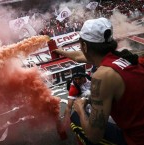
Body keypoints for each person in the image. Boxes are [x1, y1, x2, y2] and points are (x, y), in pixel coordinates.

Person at [52, 17, 144, 145]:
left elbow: (94, 135)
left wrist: (80, 109)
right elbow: (79, 57)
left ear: (84, 45)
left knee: (76, 119)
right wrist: (60, 52)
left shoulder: (103, 75)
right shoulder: (125, 56)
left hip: (137, 140)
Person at [63, 66, 91, 130]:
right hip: (82, 99)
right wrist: (65, 122)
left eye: (80, 78)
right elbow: (69, 107)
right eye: (75, 79)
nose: (77, 81)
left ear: (84, 77)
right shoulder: (73, 87)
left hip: (93, 95)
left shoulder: (91, 77)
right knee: (88, 94)